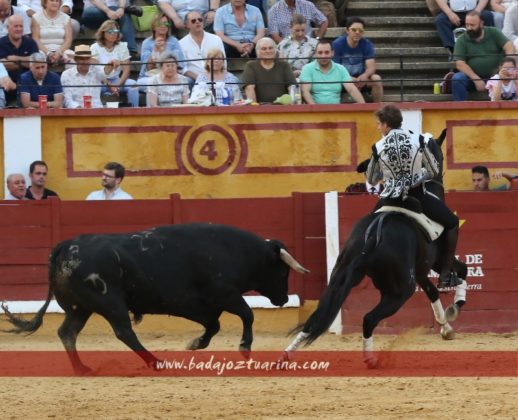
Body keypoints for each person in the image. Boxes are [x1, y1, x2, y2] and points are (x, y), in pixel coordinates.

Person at [365, 104, 459, 288]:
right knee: (453, 223)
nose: (377, 128)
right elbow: (433, 170)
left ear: (385, 124)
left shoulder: (378, 146)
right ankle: (446, 274)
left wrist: (388, 175)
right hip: (417, 196)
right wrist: (415, 177)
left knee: (368, 228)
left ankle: (365, 259)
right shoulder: (419, 139)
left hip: (389, 198)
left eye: (378, 124)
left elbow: (371, 178)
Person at [452, 11, 514, 101]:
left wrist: (507, 67)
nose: (469, 28)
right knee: (457, 79)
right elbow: (459, 63)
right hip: (473, 78)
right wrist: (476, 79)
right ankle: (459, 111)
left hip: (497, 76)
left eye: (472, 25)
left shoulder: (493, 32)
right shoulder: (462, 40)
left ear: (481, 24)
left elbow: (509, 46)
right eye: (467, 25)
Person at [332, 17, 383, 103]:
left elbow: (371, 67)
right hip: (343, 79)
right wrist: (349, 78)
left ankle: (377, 108)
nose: (357, 33)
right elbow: (334, 68)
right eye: (354, 30)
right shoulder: (338, 44)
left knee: (376, 78)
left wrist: (365, 76)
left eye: (360, 30)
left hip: (360, 80)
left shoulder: (366, 44)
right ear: (347, 30)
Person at [90, 20, 139, 107]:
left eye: (116, 31)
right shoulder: (95, 47)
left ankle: (135, 111)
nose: (113, 34)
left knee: (133, 85)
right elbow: (96, 71)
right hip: (100, 81)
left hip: (117, 80)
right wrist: (110, 85)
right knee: (91, 87)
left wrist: (118, 84)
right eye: (110, 31)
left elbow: (126, 69)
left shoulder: (122, 46)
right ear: (103, 33)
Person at [299, 40, 365, 104]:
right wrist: (316, 110)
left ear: (332, 53)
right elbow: (305, 91)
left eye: (327, 52)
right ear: (315, 54)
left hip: (336, 111)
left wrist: (363, 105)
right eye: (320, 53)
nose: (323, 56)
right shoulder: (307, 68)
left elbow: (351, 89)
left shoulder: (340, 69)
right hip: (314, 112)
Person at [241, 37, 296, 103]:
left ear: (275, 50)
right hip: (260, 109)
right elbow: (249, 89)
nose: (268, 51)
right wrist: (255, 110)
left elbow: (292, 88)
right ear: (257, 52)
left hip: (283, 109)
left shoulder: (284, 65)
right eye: (264, 49)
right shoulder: (251, 65)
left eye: (271, 48)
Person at [138, 13, 185, 91]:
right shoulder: (147, 43)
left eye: (166, 23)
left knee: (186, 81)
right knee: (145, 84)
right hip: (150, 76)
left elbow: (179, 64)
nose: (163, 26)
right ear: (153, 26)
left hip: (171, 75)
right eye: (160, 23)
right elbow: (148, 68)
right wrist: (155, 50)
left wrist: (164, 51)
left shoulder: (174, 41)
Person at [61, 44, 117, 108]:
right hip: (76, 113)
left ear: (90, 59)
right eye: (82, 59)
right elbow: (67, 99)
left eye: (87, 58)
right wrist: (78, 108)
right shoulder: (67, 74)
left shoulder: (96, 70)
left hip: (97, 111)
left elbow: (105, 72)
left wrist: (112, 63)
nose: (85, 62)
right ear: (76, 60)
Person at [0, 14, 38, 103]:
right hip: (7, 87)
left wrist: (15, 59)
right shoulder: (1, 43)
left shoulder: (30, 42)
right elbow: (1, 64)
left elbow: (36, 62)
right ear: (8, 28)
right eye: (15, 26)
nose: (19, 29)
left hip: (29, 87)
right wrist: (26, 63)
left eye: (21, 26)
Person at [179, 11, 225, 81]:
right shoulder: (181, 43)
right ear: (187, 25)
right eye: (193, 21)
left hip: (215, 77)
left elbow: (223, 62)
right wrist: (199, 78)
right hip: (194, 79)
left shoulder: (216, 39)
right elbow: (183, 68)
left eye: (200, 20)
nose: (197, 22)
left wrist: (214, 77)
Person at [31, 0, 74, 68]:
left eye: (57, 1)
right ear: (45, 2)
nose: (55, 3)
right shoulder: (36, 17)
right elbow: (35, 39)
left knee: (72, 57)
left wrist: (59, 52)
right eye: (52, 0)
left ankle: (68, 78)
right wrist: (48, 53)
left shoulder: (66, 18)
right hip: (43, 50)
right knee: (38, 58)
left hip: (62, 50)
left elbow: (68, 40)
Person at [277, 14, 318, 78]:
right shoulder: (283, 45)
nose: (300, 34)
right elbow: (280, 67)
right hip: (289, 78)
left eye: (303, 30)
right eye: (297, 30)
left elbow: (317, 65)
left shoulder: (314, 44)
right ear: (290, 27)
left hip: (310, 77)